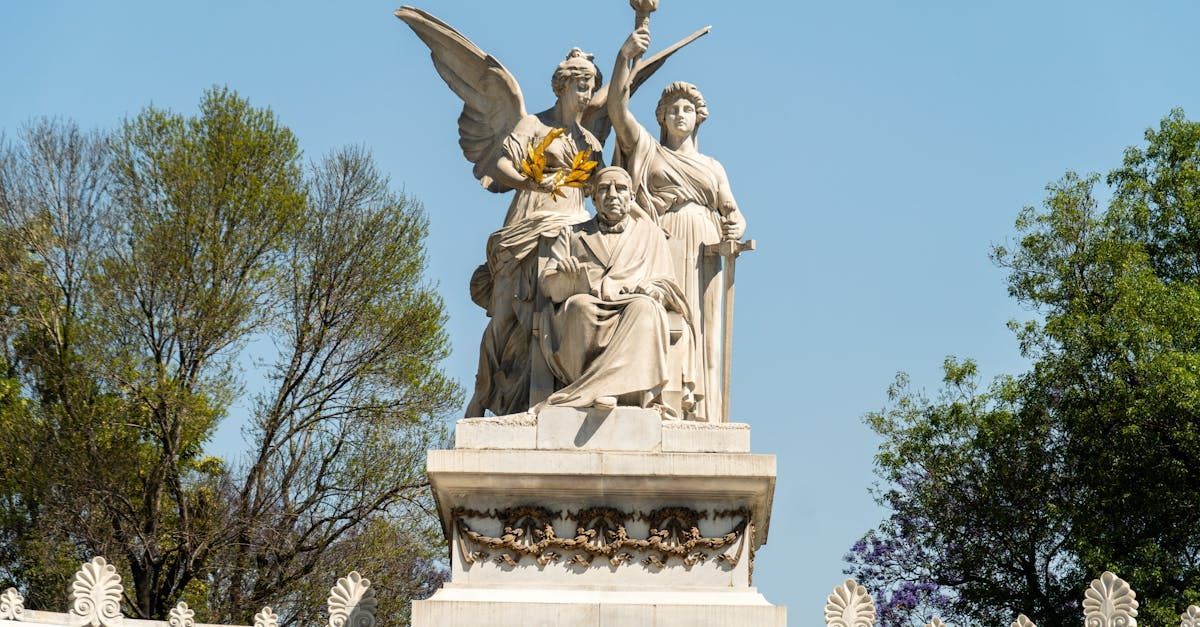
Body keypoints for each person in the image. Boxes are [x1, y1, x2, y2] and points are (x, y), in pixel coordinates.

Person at [606, 27, 748, 422]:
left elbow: (732, 210)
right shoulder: (648, 150)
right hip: (663, 240)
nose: (679, 115)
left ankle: (702, 409)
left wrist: (734, 226)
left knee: (705, 324)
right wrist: (624, 58)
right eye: (672, 110)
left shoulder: (713, 167)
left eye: (686, 109)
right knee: (667, 316)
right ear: (661, 118)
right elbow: (617, 109)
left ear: (698, 117)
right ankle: (661, 397)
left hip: (706, 245)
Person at [464, 49, 607, 417]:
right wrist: (532, 184)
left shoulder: (589, 141)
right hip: (528, 225)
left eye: (591, 88)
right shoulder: (534, 125)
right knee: (504, 317)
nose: (587, 96)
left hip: (571, 230)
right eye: (581, 86)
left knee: (557, 313)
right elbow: (497, 164)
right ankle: (482, 395)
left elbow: (607, 186)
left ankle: (549, 395)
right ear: (563, 86)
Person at [537, 167, 695, 412]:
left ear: (631, 197)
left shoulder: (650, 234)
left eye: (620, 188)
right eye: (604, 189)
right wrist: (562, 275)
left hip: (631, 303)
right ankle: (594, 386)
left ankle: (607, 389)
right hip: (587, 304)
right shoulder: (572, 234)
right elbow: (548, 285)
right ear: (593, 198)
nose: (612, 194)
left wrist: (654, 290)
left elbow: (666, 282)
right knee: (580, 307)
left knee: (645, 308)